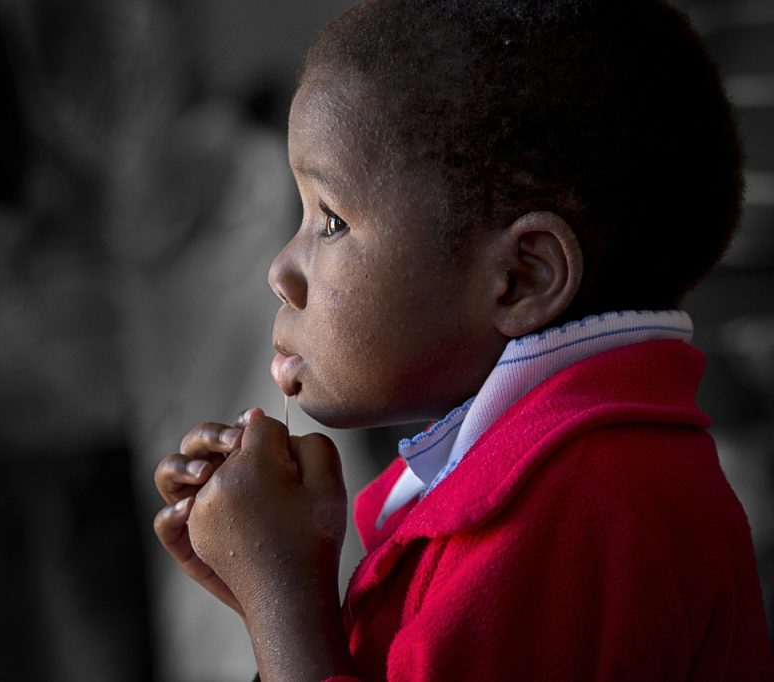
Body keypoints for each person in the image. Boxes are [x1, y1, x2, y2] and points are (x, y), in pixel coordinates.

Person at [152, 0, 774, 679]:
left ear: (520, 277)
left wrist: (281, 597)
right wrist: (272, 587)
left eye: (330, 222)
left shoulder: (571, 514)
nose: (280, 271)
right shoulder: (565, 475)